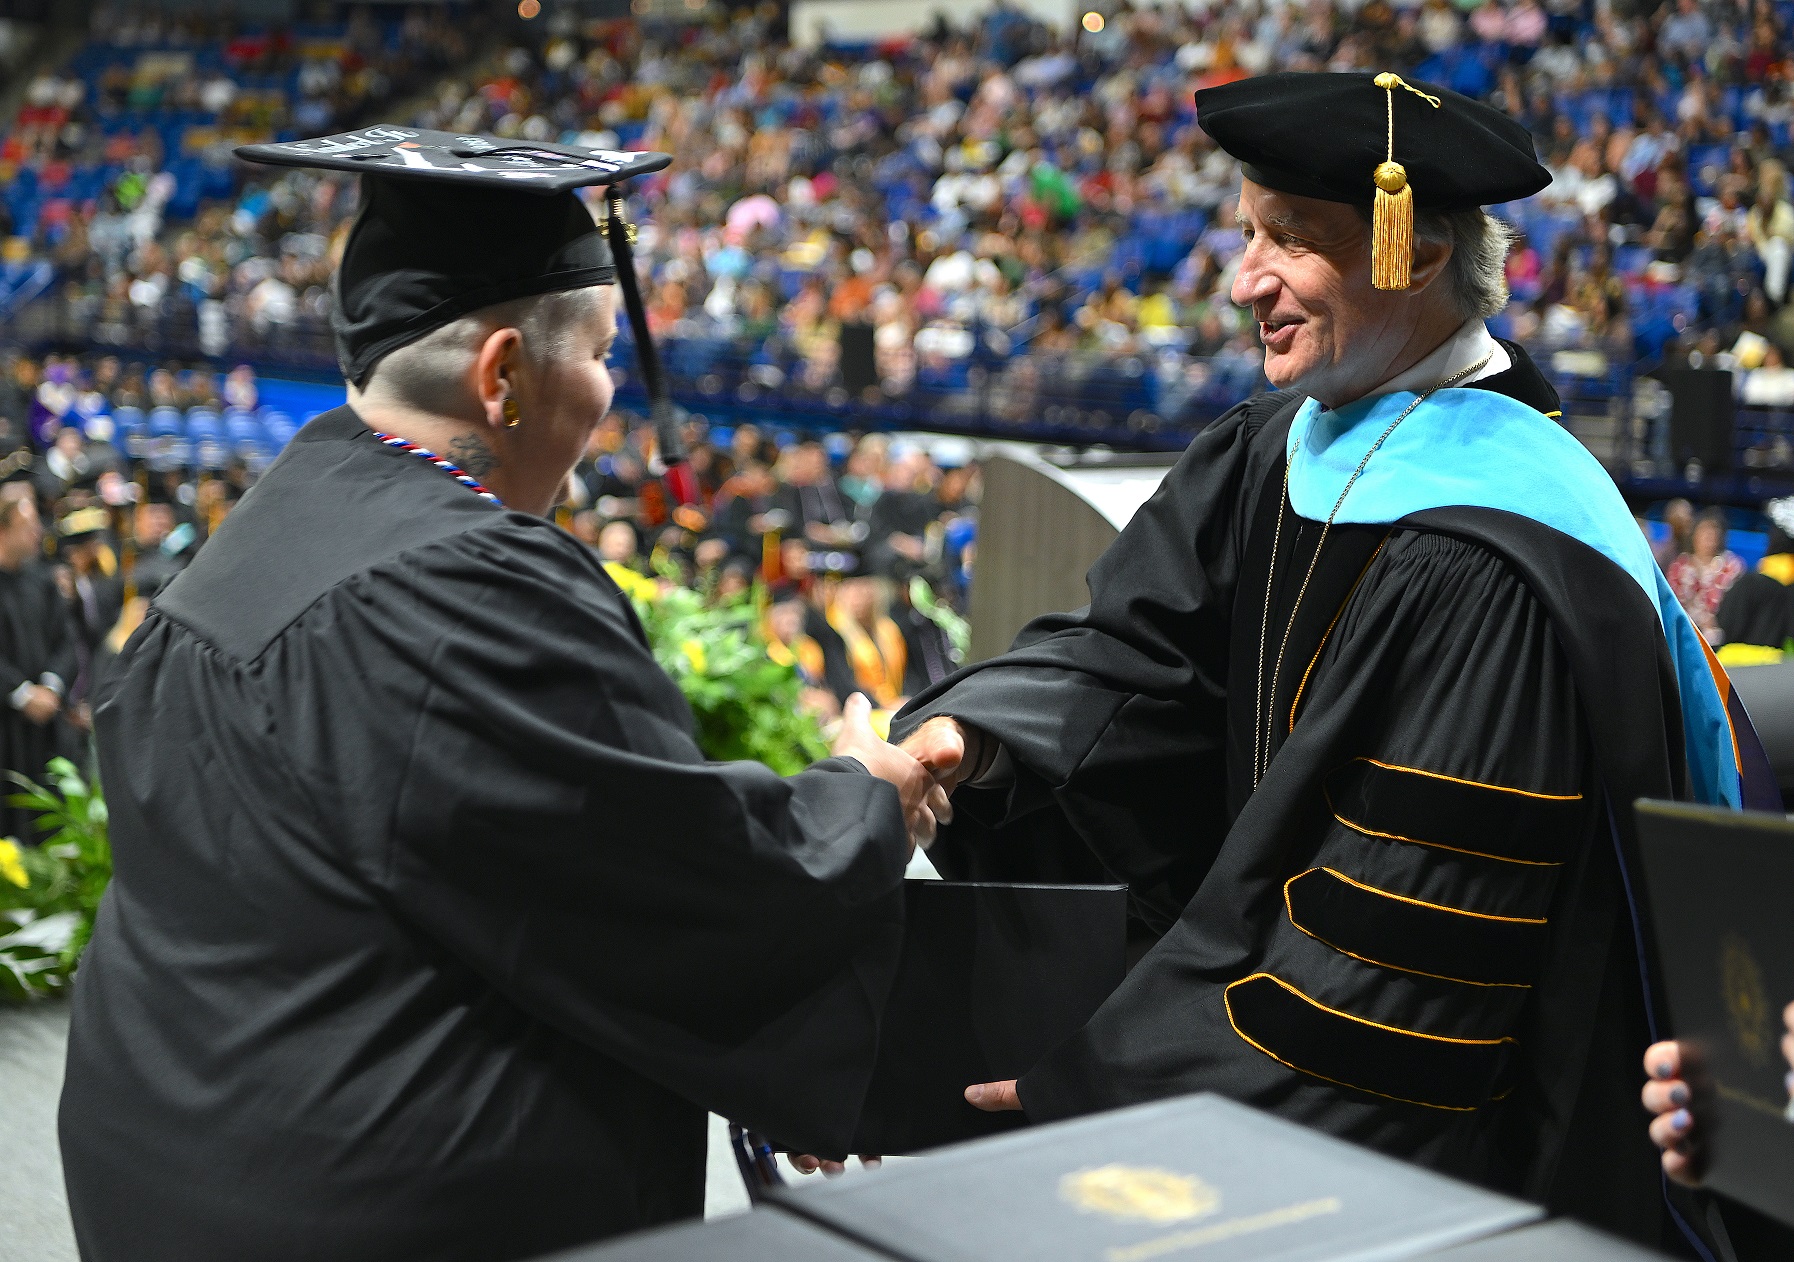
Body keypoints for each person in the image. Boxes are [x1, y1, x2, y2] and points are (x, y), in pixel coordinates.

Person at [893, 71, 1767, 1253]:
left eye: (1292, 241)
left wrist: (1119, 1081)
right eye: (1248, 234)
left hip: (1462, 1184)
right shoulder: (1277, 443)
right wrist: (977, 738)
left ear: (1413, 251)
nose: (1246, 280)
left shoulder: (1501, 554)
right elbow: (1134, 659)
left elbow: (1401, 951)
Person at [59, 128, 945, 1262]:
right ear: (504, 375)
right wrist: (862, 793)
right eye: (602, 356)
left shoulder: (254, 535)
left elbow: (481, 874)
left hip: (170, 1156)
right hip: (369, 1204)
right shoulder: (463, 584)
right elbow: (682, 883)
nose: (611, 394)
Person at [0, 482, 78, 837]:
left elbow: (67, 643)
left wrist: (50, 686)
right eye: (28, 526)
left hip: (45, 727)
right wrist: (20, 693)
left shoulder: (43, 581)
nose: (38, 533)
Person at [1669, 508, 1745, 645]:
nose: (1710, 538)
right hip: (1685, 630)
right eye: (1704, 532)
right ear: (1694, 536)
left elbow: (1737, 606)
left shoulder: (1732, 566)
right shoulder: (1680, 566)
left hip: (1722, 632)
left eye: (1714, 533)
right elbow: (1672, 602)